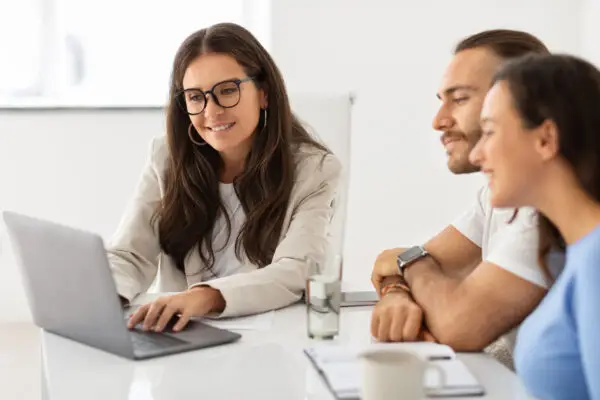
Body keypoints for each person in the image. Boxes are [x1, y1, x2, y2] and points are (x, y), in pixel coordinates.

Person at [107, 22, 342, 332]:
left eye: (227, 91)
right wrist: (102, 294)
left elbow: (296, 270)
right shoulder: (166, 158)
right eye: (195, 97)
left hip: (273, 341)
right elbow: (130, 255)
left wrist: (203, 298)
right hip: (184, 339)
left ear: (264, 94)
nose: (211, 111)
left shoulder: (315, 170)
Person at [369, 29, 564, 354]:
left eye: (459, 99)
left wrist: (407, 262)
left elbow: (458, 323)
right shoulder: (495, 196)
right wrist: (398, 293)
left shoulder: (543, 210)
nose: (438, 121)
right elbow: (401, 264)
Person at [470, 53, 600, 400]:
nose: (476, 154)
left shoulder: (596, 262)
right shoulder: (580, 251)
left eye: (489, 132)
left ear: (546, 139)